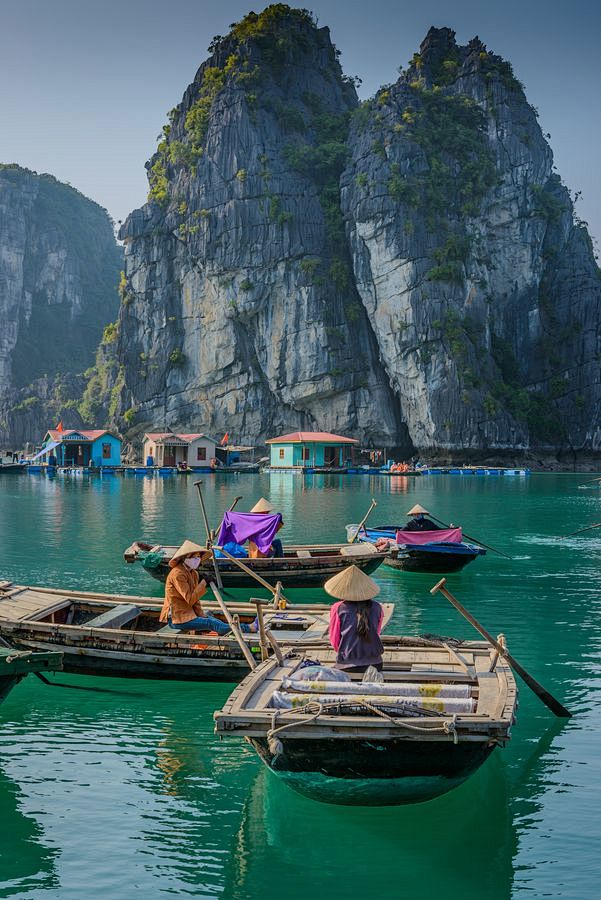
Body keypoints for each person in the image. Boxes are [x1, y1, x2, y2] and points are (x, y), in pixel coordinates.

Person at [160, 540, 258, 634]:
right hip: (177, 618)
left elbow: (196, 600)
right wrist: (203, 583)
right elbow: (190, 599)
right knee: (211, 623)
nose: (197, 560)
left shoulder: (193, 573)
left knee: (211, 619)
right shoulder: (177, 574)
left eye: (198, 557)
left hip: (189, 613)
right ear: (185, 558)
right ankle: (248, 628)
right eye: (194, 557)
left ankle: (231, 630)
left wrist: (202, 615)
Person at [326, 565, 384, 672]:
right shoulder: (378, 607)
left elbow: (335, 642)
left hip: (347, 665)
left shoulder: (338, 608)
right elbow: (377, 632)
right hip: (376, 664)